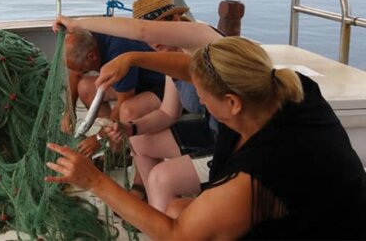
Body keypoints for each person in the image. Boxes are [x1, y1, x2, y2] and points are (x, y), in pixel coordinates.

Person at [46, 37, 366, 239]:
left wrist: (94, 181)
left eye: (202, 97)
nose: (198, 102)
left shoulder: (255, 177)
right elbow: (192, 69)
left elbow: (177, 235)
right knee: (172, 208)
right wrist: (134, 58)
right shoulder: (285, 89)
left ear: (232, 103)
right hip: (322, 210)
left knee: (176, 220)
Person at [54, 0, 223, 206]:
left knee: (161, 177)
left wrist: (76, 23)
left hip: (233, 144)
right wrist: (129, 129)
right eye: (147, 40)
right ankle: (156, 205)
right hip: (209, 131)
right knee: (138, 139)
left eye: (157, 31)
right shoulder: (170, 58)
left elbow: (141, 30)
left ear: (176, 21)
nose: (152, 41)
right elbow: (167, 113)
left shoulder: (201, 36)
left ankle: (160, 208)